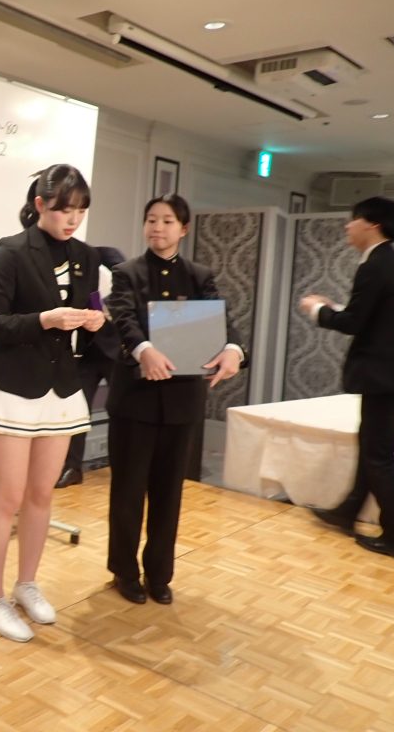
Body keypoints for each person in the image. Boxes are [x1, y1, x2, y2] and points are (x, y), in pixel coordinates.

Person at [0, 164, 106, 642]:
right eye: (66, 209)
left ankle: (26, 584)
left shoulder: (87, 256)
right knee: (5, 498)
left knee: (42, 495)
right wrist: (45, 319)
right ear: (40, 204)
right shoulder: (11, 250)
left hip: (61, 388)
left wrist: (95, 321)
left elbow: (92, 309)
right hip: (13, 386)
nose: (73, 219)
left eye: (81, 210)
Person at [105, 194, 243, 606]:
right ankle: (124, 570)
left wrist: (234, 349)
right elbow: (123, 318)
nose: (157, 227)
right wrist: (143, 349)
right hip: (135, 401)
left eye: (167, 221)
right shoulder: (127, 272)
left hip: (182, 402)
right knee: (128, 491)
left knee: (169, 493)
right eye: (151, 219)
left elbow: (222, 321)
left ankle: (159, 573)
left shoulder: (200, 275)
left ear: (183, 229)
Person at [300, 196, 394, 562]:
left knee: (378, 455)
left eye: (353, 219)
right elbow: (372, 318)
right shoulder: (389, 263)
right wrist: (335, 309)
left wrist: (317, 310)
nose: (348, 225)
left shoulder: (376, 265)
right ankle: (348, 511)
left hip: (390, 376)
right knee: (373, 445)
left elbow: (354, 323)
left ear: (372, 225)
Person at [56, 245, 125, 488]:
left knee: (122, 413)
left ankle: (125, 470)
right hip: (86, 353)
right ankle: (72, 468)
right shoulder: (75, 274)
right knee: (76, 412)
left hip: (117, 352)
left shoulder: (109, 266)